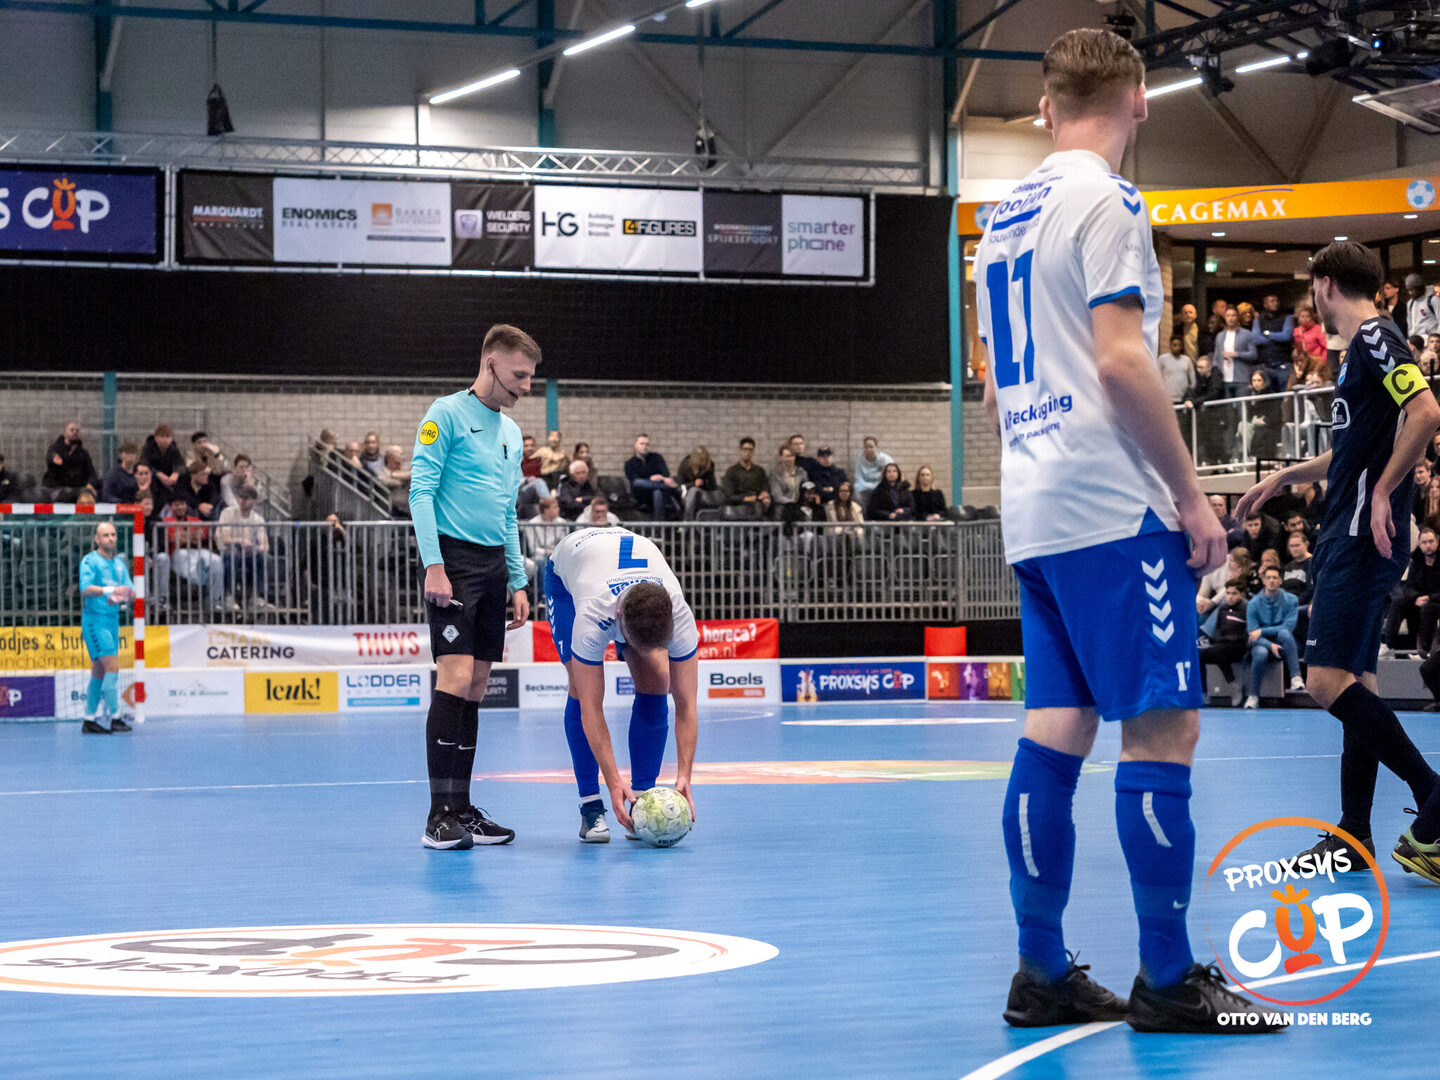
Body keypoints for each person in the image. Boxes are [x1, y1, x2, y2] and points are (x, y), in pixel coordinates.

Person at [976, 28, 1268, 1033]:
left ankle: (1041, 971)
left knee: (1055, 732)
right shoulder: (1109, 201)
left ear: (1045, 109)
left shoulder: (1001, 222)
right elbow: (1120, 361)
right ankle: (1169, 979)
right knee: (1162, 728)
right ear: (1140, 100)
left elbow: (993, 388)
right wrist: (1190, 497)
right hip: (1111, 505)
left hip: (1034, 505)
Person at [1237, 240, 1440, 886]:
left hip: (1358, 536)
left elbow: (1426, 411)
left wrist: (1382, 492)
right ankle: (1354, 835)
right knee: (1359, 682)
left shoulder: (1376, 338)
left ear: (1325, 283)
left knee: (1325, 681)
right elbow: (1352, 452)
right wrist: (1286, 476)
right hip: (1352, 533)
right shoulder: (1363, 350)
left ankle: (1435, 798)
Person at [408, 324, 538, 851]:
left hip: (492, 567)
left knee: (478, 686)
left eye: (530, 378)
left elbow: (507, 512)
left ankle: (462, 809)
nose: (526, 387)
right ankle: (437, 816)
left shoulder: (512, 433)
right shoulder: (444, 414)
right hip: (453, 562)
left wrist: (517, 579)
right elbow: (420, 493)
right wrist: (434, 565)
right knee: (456, 677)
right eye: (520, 375)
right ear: (491, 364)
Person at [544, 526, 699, 843]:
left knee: (658, 679)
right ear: (619, 619)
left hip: (622, 570)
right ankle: (591, 806)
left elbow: (686, 705)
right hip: (568, 574)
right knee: (580, 689)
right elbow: (592, 710)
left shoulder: (680, 615)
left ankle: (642, 800)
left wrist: (685, 774)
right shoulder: (593, 614)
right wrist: (613, 780)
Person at [78, 522, 135, 734]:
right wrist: (110, 590)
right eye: (105, 535)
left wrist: (124, 595)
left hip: (112, 620)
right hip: (95, 620)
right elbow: (85, 588)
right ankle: (115, 717)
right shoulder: (90, 560)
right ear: (97, 539)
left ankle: (89, 719)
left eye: (113, 534)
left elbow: (130, 590)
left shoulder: (119, 564)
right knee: (112, 666)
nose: (110, 538)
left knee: (99, 671)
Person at [1243, 566, 1305, 708]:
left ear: (1280, 581)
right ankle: (1253, 696)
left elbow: (1288, 627)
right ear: (1263, 580)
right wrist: (1269, 645)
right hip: (1261, 643)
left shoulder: (1291, 600)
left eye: (1275, 578)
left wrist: (1262, 631)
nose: (1271, 580)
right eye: (1268, 577)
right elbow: (1252, 634)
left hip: (1285, 643)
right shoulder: (1253, 603)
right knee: (1260, 653)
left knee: (1284, 633)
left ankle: (1296, 677)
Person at [1384, 526, 1440, 656]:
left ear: (1437, 542)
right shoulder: (1416, 562)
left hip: (1436, 602)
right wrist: (1416, 598)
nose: (1428, 545)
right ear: (1419, 544)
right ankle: (1387, 644)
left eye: (1431, 541)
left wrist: (1430, 598)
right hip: (1419, 601)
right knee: (1399, 602)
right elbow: (1408, 587)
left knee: (1428, 608)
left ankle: (1425, 650)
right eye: (1424, 542)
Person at [216, 484, 271, 612]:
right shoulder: (228, 513)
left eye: (246, 498)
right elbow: (225, 538)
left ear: (254, 501)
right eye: (241, 497)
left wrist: (255, 549)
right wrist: (240, 541)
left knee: (264, 557)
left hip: (248, 554)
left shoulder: (257, 519)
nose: (242, 500)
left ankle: (255, 597)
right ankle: (229, 596)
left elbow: (265, 545)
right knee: (232, 553)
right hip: (229, 550)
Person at [1198, 579, 1249, 706]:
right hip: (1223, 646)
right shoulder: (1222, 608)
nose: (1230, 597)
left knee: (1218, 650)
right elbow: (1217, 630)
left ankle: (1234, 685)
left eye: (1234, 593)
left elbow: (1249, 631)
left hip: (1240, 646)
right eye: (1228, 593)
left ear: (1241, 594)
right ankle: (1204, 692)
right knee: (1199, 655)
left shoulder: (1248, 608)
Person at [625, 434, 680, 521]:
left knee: (657, 492)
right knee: (638, 482)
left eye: (647, 444)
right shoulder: (630, 463)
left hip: (659, 494)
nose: (644, 446)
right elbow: (634, 481)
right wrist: (652, 480)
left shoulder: (657, 458)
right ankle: (673, 487)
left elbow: (665, 474)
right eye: (642, 444)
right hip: (642, 493)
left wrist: (660, 477)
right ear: (635, 445)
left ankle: (657, 526)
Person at [1183, 354, 1225, 464]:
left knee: (1217, 438)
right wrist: (1189, 399)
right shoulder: (1199, 377)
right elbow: (1193, 390)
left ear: (1209, 367)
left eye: (1201, 367)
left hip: (1219, 413)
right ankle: (1211, 462)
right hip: (1207, 414)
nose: (1198, 370)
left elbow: (1214, 393)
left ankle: (1223, 462)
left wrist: (1195, 402)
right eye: (1197, 367)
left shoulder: (1216, 376)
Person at [42, 421, 98, 502]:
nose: (75, 432)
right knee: (66, 495)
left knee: (88, 496)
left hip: (76, 489)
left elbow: (91, 472)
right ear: (65, 433)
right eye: (72, 430)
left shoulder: (83, 453)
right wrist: (54, 458)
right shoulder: (56, 449)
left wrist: (90, 484)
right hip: (57, 489)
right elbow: (51, 456)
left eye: (77, 430)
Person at [1212, 306, 1257, 398]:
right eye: (1228, 315)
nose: (1231, 318)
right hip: (1224, 379)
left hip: (1241, 378)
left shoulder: (1246, 334)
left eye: (1233, 315)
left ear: (1237, 317)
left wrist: (1236, 354)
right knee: (1228, 406)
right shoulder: (1219, 336)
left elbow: (1253, 354)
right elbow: (1216, 358)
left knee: (1242, 405)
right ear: (1225, 317)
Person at [1255, 294, 1296, 390]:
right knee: (1268, 393)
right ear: (1265, 304)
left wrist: (1267, 334)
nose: (1275, 303)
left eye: (1277, 301)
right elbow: (1256, 339)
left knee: (1286, 392)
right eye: (1272, 301)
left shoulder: (1287, 317)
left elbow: (1286, 336)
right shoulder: (1259, 319)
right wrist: (1276, 337)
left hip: (1283, 362)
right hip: (1266, 364)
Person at [720, 437, 769, 515]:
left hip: (756, 504)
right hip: (738, 506)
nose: (748, 452)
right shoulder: (732, 471)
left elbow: (765, 486)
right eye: (745, 449)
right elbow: (729, 496)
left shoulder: (759, 471)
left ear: (753, 451)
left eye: (750, 450)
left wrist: (765, 494)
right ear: (740, 450)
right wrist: (747, 499)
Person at [676, 445, 719, 519]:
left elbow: (712, 485)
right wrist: (693, 484)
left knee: (718, 494)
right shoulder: (685, 466)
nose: (703, 462)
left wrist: (703, 482)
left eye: (704, 460)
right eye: (701, 460)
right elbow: (680, 485)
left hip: (704, 492)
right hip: (686, 493)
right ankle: (688, 520)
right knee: (693, 491)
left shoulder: (709, 465)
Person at [141, 425, 185, 493]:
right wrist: (158, 474)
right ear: (156, 438)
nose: (165, 439)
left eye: (167, 437)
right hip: (153, 480)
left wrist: (176, 473)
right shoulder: (148, 448)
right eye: (162, 437)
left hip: (169, 478)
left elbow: (180, 463)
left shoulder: (174, 449)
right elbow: (145, 464)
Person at [852, 436, 893, 500]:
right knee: (856, 487)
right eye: (866, 447)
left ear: (876, 447)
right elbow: (858, 476)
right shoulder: (859, 459)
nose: (869, 449)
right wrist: (863, 486)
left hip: (880, 484)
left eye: (871, 447)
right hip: (863, 484)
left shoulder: (884, 459)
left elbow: (892, 471)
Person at [1157, 334, 1194, 404]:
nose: (1177, 347)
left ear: (1182, 346)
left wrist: (1189, 395)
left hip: (1183, 399)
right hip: (1167, 399)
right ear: (1170, 345)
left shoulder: (1187, 360)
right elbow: (1157, 378)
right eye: (1174, 345)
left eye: (1179, 345)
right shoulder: (1162, 359)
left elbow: (1193, 380)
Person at [768, 444, 803, 513]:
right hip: (782, 507)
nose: (790, 459)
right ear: (781, 457)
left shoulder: (802, 472)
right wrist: (793, 503)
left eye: (792, 456)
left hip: (799, 507)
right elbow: (777, 496)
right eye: (787, 456)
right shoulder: (775, 474)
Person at [1405, 272, 1440, 339]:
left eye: (1412, 290)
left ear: (1419, 288)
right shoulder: (1410, 303)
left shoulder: (1433, 300)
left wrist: (1437, 339)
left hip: (1431, 340)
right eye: (1408, 290)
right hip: (1416, 341)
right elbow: (1410, 325)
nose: (1410, 293)